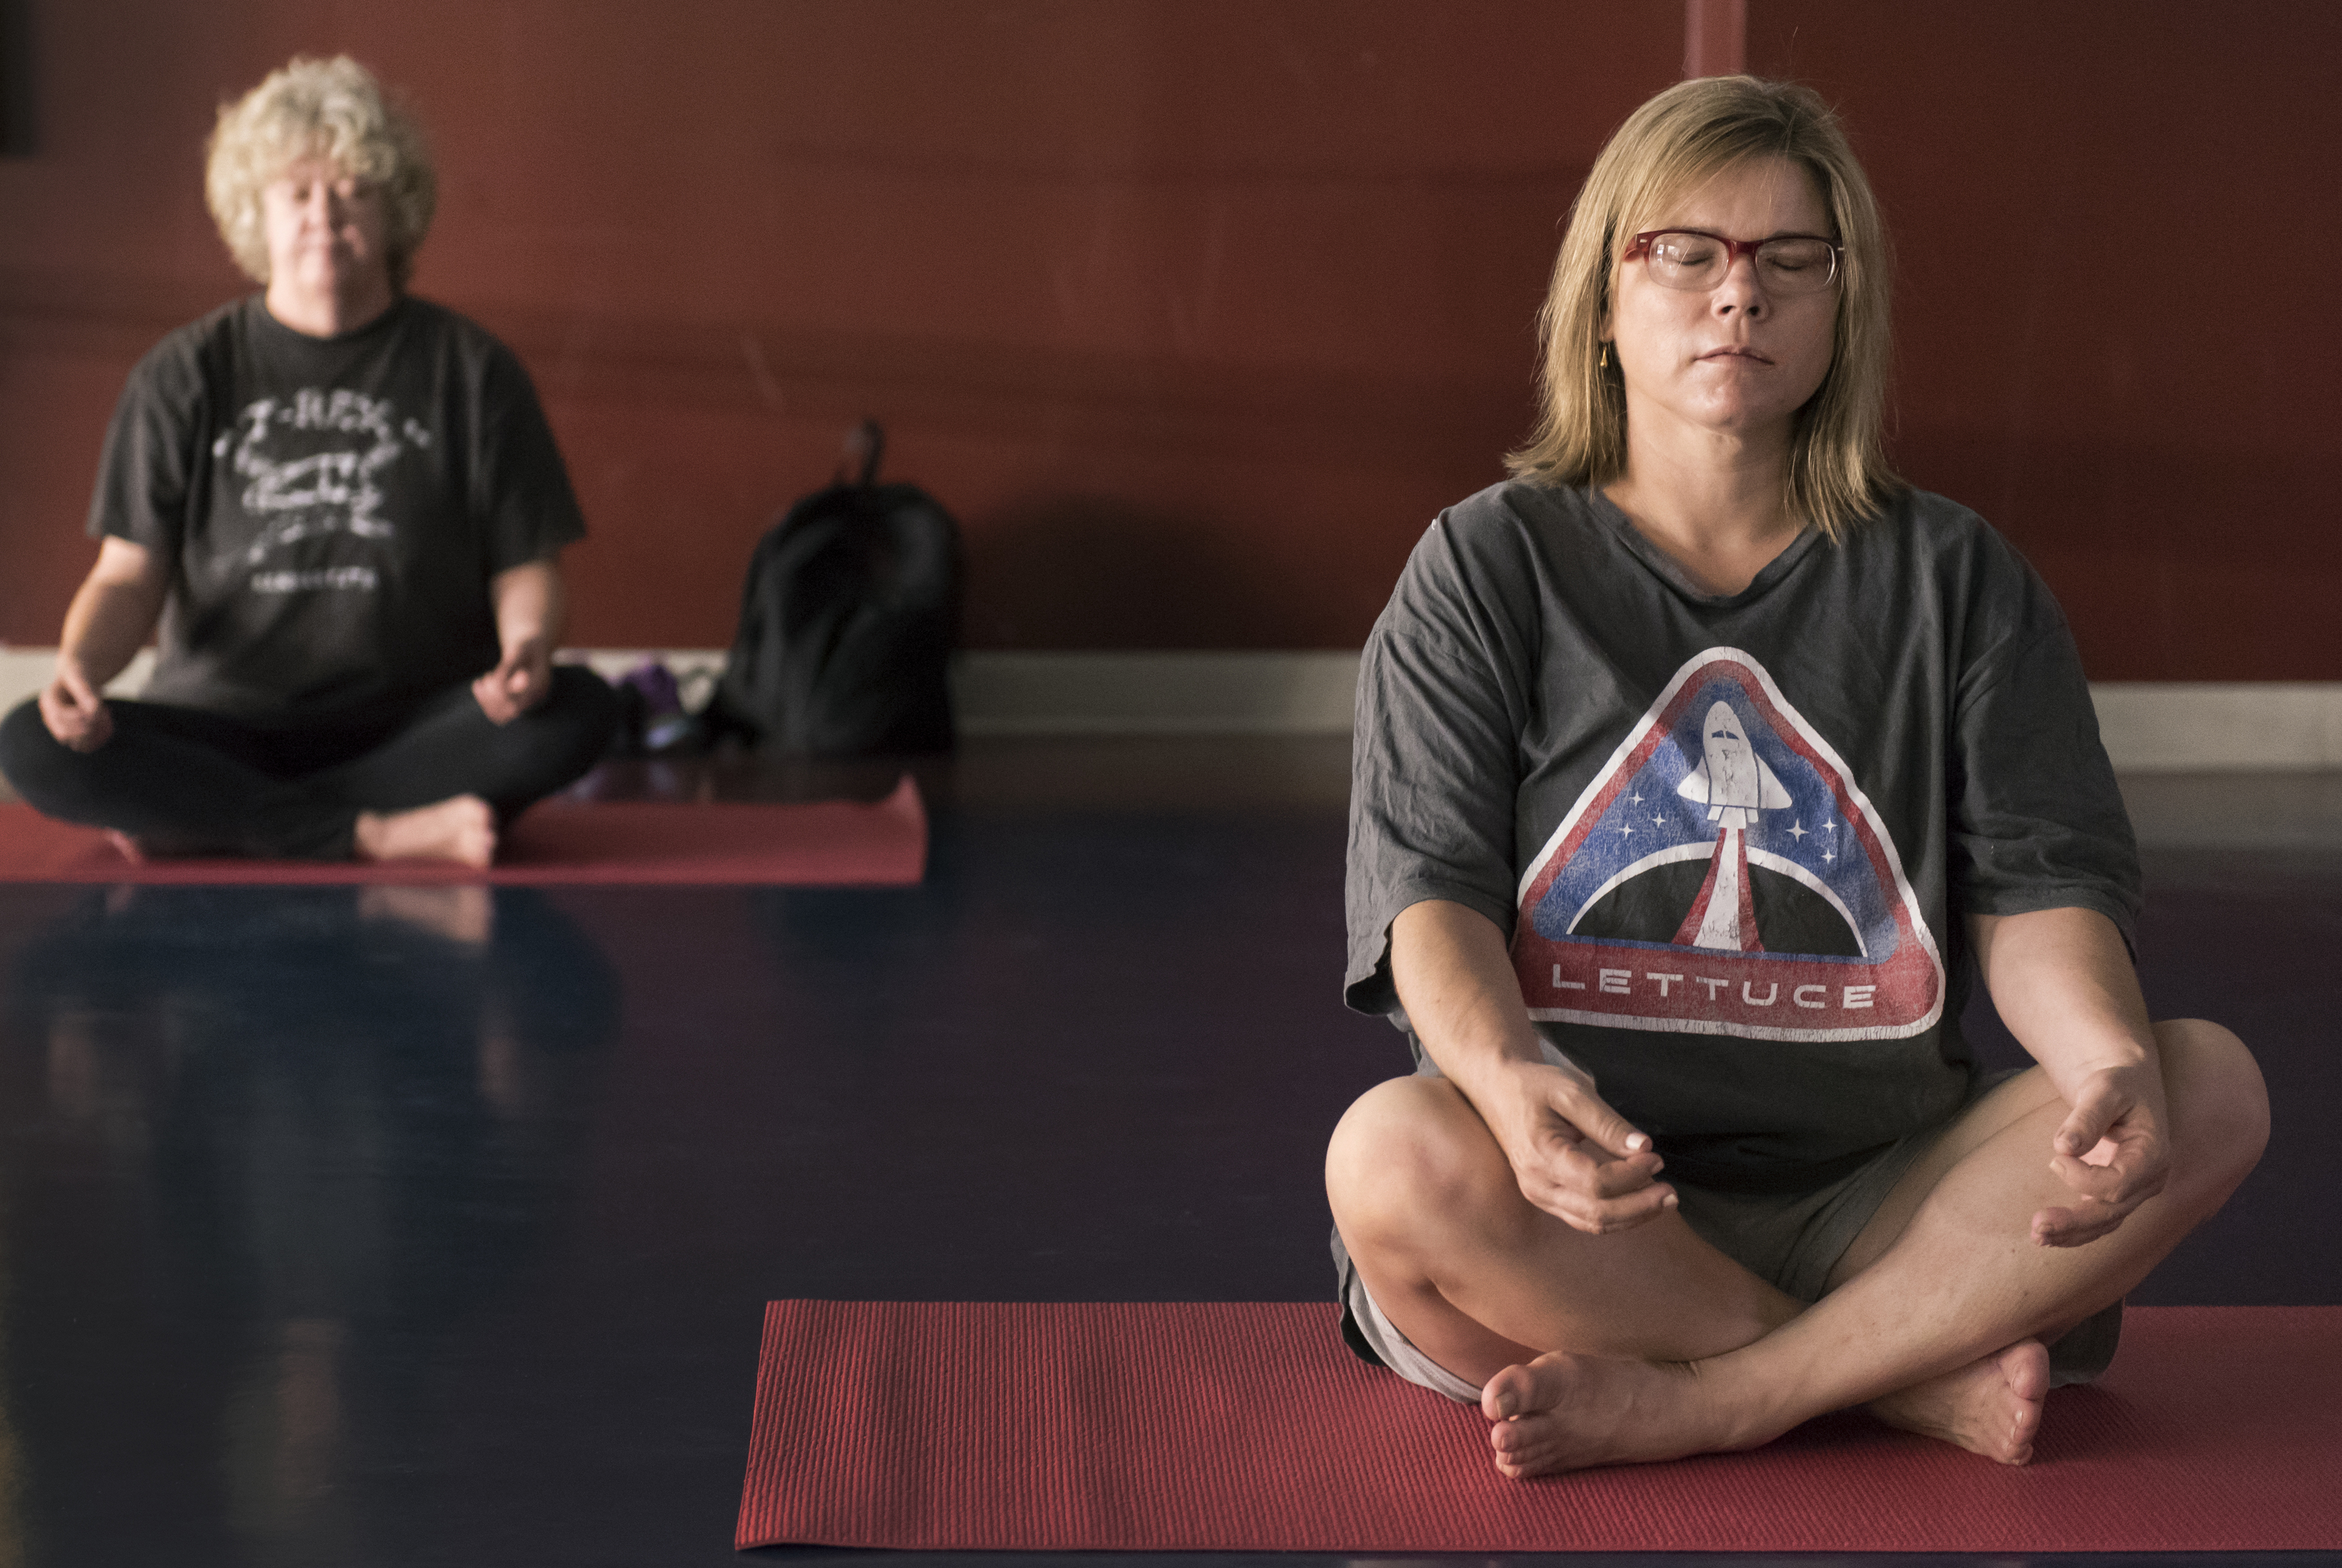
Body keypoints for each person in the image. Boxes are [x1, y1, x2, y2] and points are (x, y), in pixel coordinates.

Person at [1324, 76, 2268, 1479]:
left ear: (1843, 307)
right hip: (1578, 1213)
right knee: (1390, 1154)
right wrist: (1514, 1082)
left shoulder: (1959, 580)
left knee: (2209, 1085)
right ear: (1600, 298)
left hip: (1889, 1194)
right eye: (1686, 251)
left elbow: (2039, 890)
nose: (1737, 296)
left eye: (1788, 260)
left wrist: (2104, 1060)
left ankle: (1721, 1394)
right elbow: (1429, 904)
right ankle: (1889, 1377)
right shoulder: (1486, 565)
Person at [0, 56, 616, 867]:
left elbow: (524, 564)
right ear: (255, 214)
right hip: (223, 726)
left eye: (352, 189)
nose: (323, 216)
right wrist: (79, 667)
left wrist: (526, 647)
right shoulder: (182, 373)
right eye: (297, 193)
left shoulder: (472, 369)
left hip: (417, 720)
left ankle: (220, 822)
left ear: (395, 211)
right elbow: (127, 575)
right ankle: (379, 832)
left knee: (578, 709)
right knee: (33, 745)